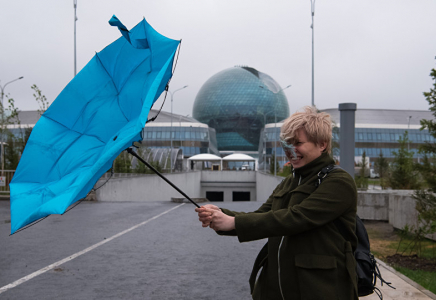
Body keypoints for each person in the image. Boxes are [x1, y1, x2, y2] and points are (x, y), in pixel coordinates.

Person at [195, 106, 358, 300]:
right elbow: (262, 215)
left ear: (322, 144)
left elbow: (297, 218)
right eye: (287, 143)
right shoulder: (289, 182)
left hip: (319, 290)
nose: (290, 150)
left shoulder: (338, 181)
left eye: (298, 143)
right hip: (277, 289)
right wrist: (220, 214)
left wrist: (232, 222)